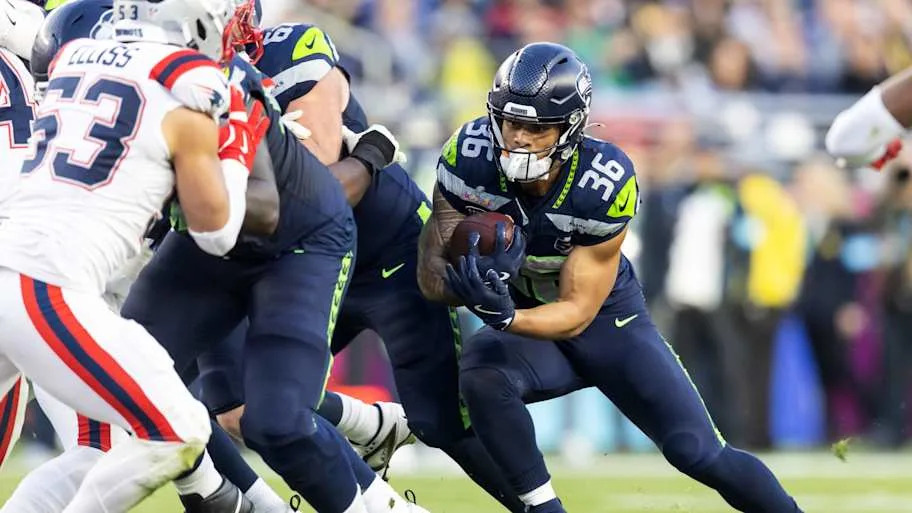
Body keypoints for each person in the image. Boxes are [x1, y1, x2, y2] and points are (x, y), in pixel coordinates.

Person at [418, 42, 804, 513]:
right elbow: (430, 265)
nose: (517, 137)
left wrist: (504, 316)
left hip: (608, 324)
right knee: (481, 374)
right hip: (531, 322)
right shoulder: (469, 154)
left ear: (570, 126)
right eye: (510, 122)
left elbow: (578, 313)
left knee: (697, 452)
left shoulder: (601, 180)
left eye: (536, 127)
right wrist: (458, 283)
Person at [193, 20, 527, 511]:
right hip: (291, 261)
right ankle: (368, 432)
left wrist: (365, 163)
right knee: (244, 408)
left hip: (381, 253)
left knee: (441, 419)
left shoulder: (291, 52)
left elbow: (317, 197)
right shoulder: (181, 74)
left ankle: (540, 507)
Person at [117, 6, 413, 513]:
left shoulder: (222, 82)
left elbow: (246, 210)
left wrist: (163, 192)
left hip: (293, 241)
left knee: (275, 421)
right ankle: (240, 497)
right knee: (127, 379)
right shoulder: (136, 68)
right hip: (214, 242)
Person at [0, 0, 271, 510]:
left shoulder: (77, 58)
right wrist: (235, 146)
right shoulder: (191, 81)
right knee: (177, 431)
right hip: (46, 283)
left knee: (120, 437)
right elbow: (216, 233)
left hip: (18, 258)